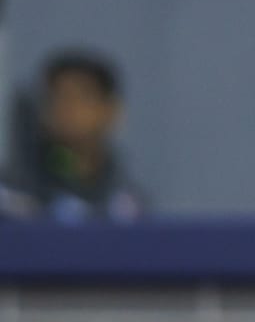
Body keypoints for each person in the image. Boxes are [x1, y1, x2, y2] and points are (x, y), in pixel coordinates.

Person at [1, 50, 148, 221]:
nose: (67, 109)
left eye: (81, 97)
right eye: (56, 98)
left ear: (111, 111)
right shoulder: (12, 198)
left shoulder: (129, 203)